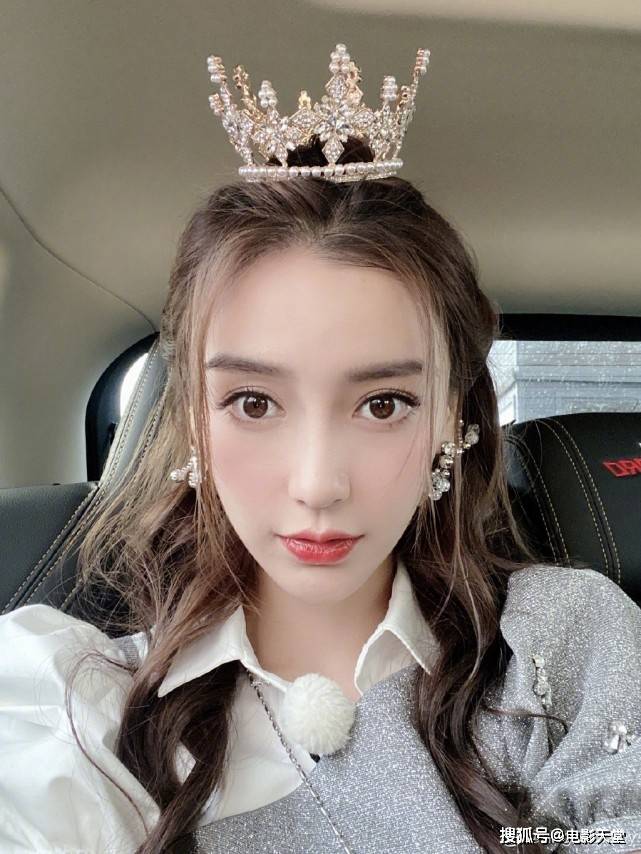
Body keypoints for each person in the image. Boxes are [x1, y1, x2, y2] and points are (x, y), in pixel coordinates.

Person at [1, 42, 641, 854]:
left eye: (382, 404)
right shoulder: (76, 700)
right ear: (194, 420)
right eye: (253, 402)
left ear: (449, 419)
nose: (317, 485)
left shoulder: (565, 642)